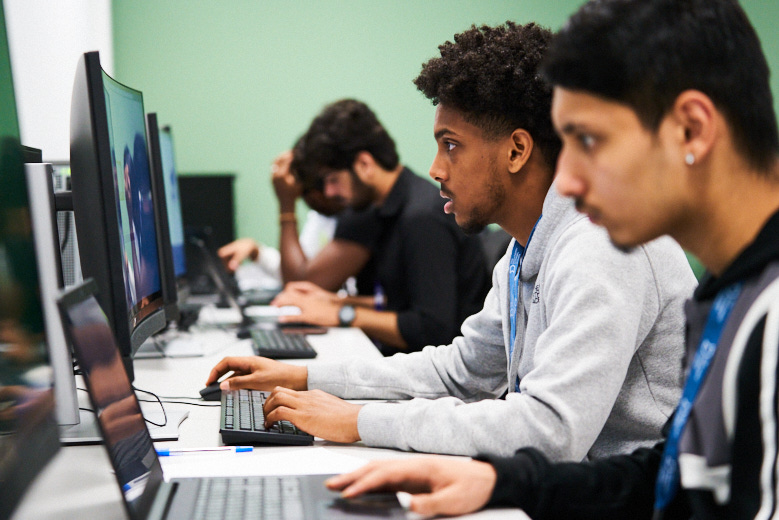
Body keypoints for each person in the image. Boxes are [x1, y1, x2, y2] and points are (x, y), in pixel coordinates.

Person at [327, 1, 779, 518]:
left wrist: (362, 419)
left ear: (691, 130)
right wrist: (503, 481)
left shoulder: (762, 306)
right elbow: (672, 475)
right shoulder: (727, 291)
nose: (566, 180)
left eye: (589, 141)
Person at [206, 22, 695, 460]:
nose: (436, 169)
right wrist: (306, 379)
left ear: (517, 150)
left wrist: (357, 422)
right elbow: (460, 372)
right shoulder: (522, 252)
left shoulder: (600, 248)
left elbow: (550, 431)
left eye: (451, 145)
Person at [265, 99, 491, 353]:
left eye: (333, 180)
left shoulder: (421, 217)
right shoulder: (390, 209)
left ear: (364, 164)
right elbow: (400, 304)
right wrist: (334, 301)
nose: (328, 192)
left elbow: (431, 329)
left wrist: (342, 313)